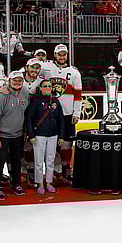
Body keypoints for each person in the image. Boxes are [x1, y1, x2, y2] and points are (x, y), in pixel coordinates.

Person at [41, 44, 82, 182]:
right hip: (50, 113)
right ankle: (56, 168)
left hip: (68, 113)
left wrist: (76, 113)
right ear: (55, 54)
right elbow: (30, 73)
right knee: (52, 142)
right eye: (59, 54)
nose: (62, 57)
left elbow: (78, 95)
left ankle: (66, 168)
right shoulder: (46, 68)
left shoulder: (74, 72)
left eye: (64, 54)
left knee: (67, 143)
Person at [0, 71, 30, 200]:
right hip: (2, 136)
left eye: (20, 80)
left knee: (16, 161)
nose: (17, 83)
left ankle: (16, 184)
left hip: (17, 135)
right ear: (9, 81)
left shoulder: (25, 93)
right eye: (15, 80)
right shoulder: (2, 96)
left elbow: (26, 112)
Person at [25, 79, 64, 195]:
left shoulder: (56, 100)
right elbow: (29, 118)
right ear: (40, 88)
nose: (47, 88)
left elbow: (61, 119)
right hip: (39, 135)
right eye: (45, 86)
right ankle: (39, 183)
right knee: (38, 161)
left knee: (50, 160)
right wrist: (31, 134)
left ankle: (49, 182)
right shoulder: (36, 101)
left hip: (53, 135)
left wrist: (61, 135)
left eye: (49, 86)